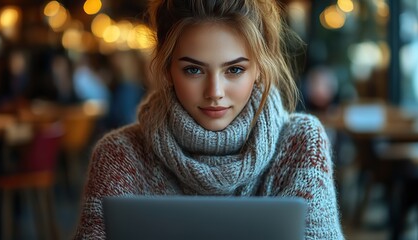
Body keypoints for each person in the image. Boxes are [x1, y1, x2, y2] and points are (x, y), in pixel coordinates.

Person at [74, 0, 344, 239]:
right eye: (194, 70)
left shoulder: (301, 143)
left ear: (260, 69)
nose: (214, 92)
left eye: (235, 69)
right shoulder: (119, 156)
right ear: (168, 70)